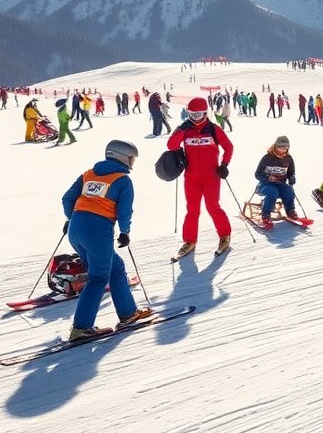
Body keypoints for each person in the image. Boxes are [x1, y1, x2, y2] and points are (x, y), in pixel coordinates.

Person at [61, 140, 152, 340]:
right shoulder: (123, 180)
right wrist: (125, 232)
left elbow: (67, 199)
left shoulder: (88, 174)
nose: (132, 163)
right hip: (97, 231)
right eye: (131, 158)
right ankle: (81, 328)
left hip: (76, 230)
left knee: (116, 267)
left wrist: (72, 218)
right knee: (98, 277)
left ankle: (128, 313)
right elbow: (124, 211)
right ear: (122, 157)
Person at [168, 97, 235, 257]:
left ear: (205, 113)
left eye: (198, 115)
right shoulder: (186, 130)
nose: (195, 118)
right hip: (191, 177)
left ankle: (224, 235)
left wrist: (224, 164)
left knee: (213, 207)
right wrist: (180, 130)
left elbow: (228, 146)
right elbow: (171, 145)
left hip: (211, 176)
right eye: (192, 114)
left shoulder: (213, 129)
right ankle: (189, 241)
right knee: (192, 210)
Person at [253, 136, 312, 228]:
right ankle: (265, 215)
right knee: (273, 193)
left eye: (286, 148)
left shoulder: (288, 158)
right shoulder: (267, 158)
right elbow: (258, 174)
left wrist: (291, 178)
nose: (283, 150)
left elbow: (291, 173)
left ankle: (290, 211)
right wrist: (268, 178)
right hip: (266, 184)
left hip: (281, 184)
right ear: (275, 146)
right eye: (281, 147)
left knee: (289, 191)